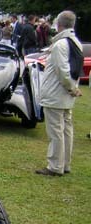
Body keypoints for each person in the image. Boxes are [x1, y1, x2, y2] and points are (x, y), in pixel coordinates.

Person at [35, 11, 82, 177]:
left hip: (57, 93)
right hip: (66, 94)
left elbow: (63, 70)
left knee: (56, 131)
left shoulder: (61, 44)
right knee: (66, 129)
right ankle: (65, 163)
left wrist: (71, 88)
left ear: (59, 24)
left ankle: (55, 165)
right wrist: (73, 88)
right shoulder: (75, 42)